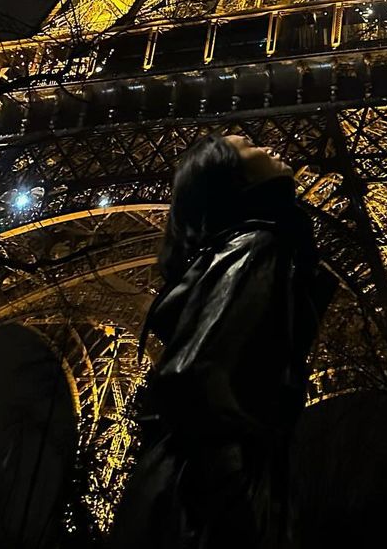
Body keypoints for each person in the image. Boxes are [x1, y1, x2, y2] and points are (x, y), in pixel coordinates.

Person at [110, 132, 336, 548]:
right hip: (210, 500)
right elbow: (195, 378)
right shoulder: (257, 244)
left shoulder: (233, 250)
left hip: (176, 496)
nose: (268, 146)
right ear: (234, 175)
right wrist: (240, 504)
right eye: (249, 144)